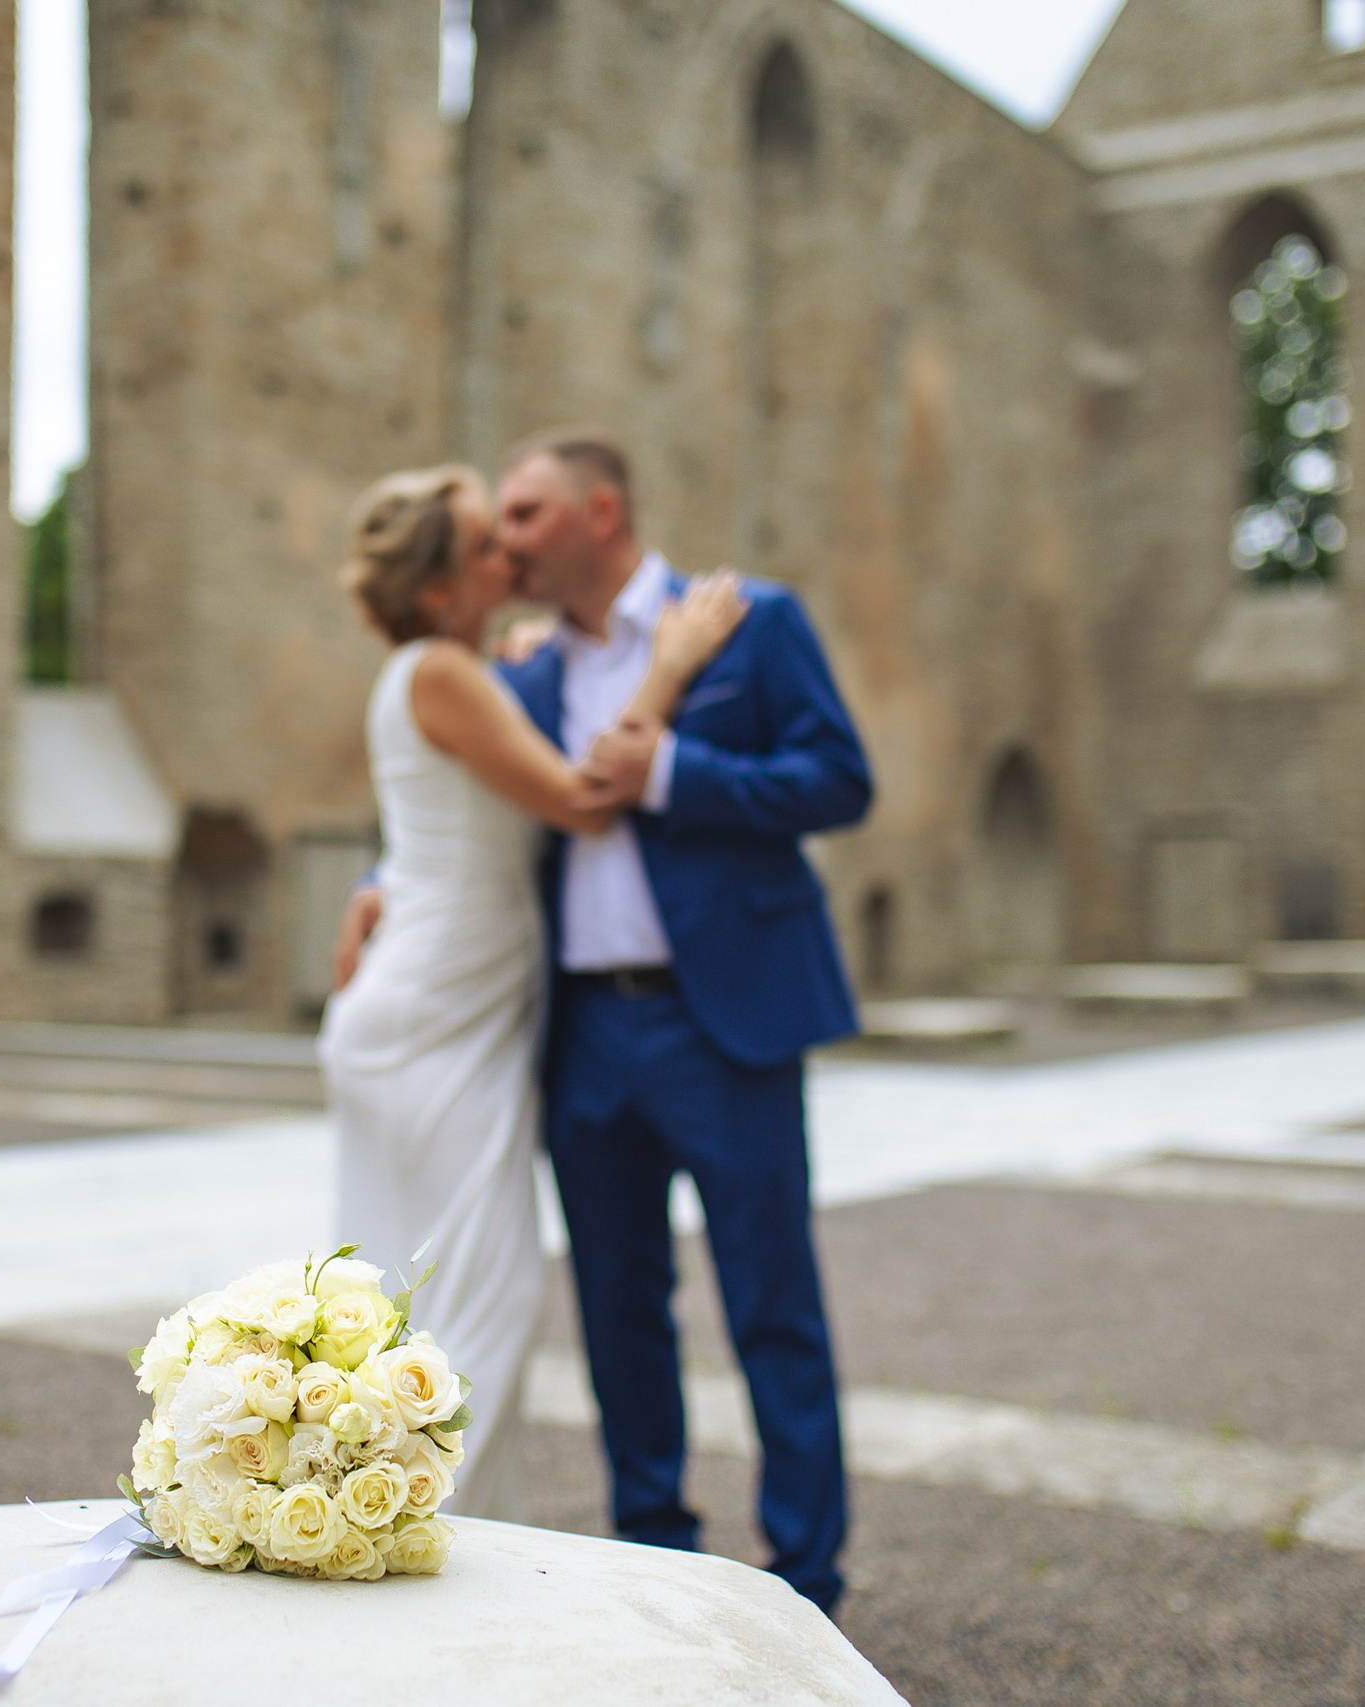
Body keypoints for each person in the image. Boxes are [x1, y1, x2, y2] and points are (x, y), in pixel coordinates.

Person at [339, 430, 874, 1612]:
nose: (508, 537)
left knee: (771, 1304)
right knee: (618, 1318)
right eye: (495, 525)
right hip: (582, 1037)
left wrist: (673, 770)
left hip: (723, 1023)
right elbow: (463, 798)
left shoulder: (746, 624)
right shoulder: (521, 673)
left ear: (602, 512)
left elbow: (838, 779)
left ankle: (806, 1580)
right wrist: (377, 885)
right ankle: (655, 1563)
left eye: (525, 513)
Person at [319, 462, 746, 1523]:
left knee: (423, 1306)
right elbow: (583, 802)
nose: (507, 555)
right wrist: (669, 668)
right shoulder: (443, 674)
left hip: (445, 1011)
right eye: (483, 545)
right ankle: (419, 1537)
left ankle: (408, 1532)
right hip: (433, 1021)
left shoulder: (456, 672)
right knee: (483, 1301)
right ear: (437, 588)